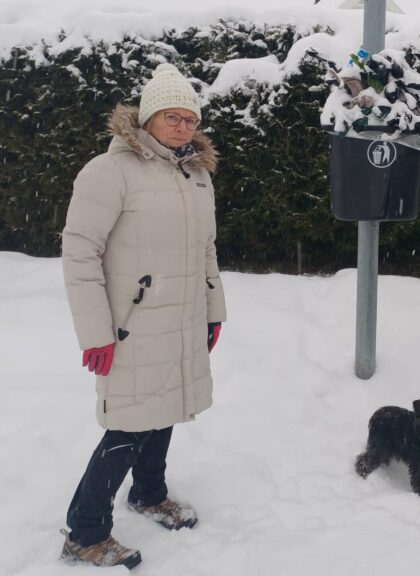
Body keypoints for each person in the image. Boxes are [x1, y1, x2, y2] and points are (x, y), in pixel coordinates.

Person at [60, 63, 227, 568]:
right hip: (130, 326)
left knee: (168, 406)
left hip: (183, 319)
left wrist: (212, 312)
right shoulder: (109, 172)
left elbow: (207, 250)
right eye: (171, 117)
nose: (182, 127)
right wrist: (95, 332)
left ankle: (149, 494)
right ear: (148, 117)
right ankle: (85, 531)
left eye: (190, 119)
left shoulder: (196, 174)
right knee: (130, 423)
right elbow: (80, 251)